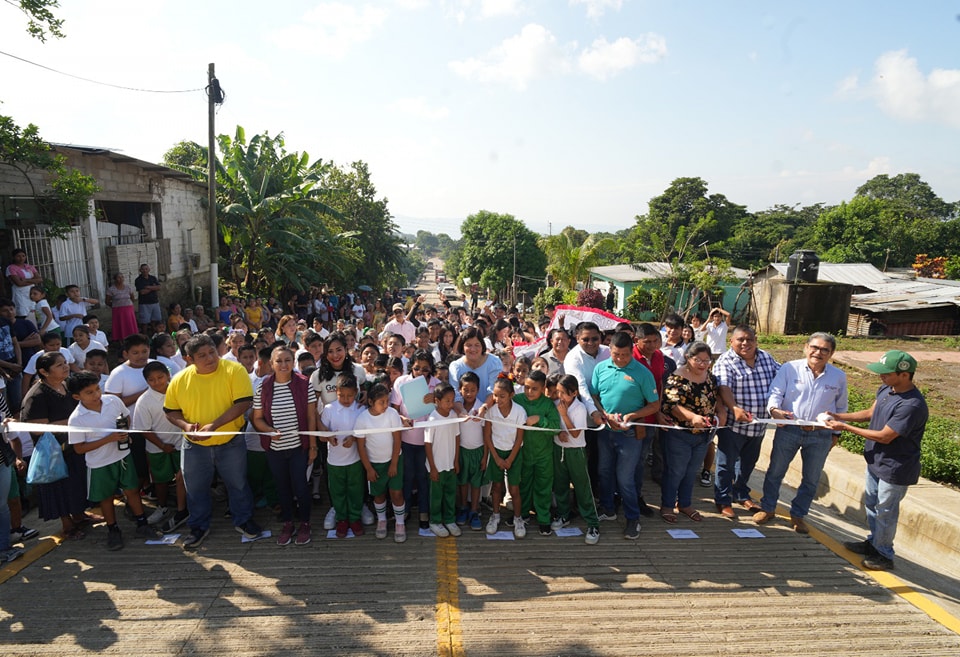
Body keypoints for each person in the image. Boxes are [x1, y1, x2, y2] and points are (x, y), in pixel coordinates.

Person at [825, 350, 928, 571]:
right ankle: (874, 543)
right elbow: (870, 413)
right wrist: (839, 416)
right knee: (873, 505)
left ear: (904, 375)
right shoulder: (887, 389)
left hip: (895, 467)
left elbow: (885, 436)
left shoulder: (911, 405)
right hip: (876, 461)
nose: (881, 376)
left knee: (886, 511)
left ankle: (884, 554)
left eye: (886, 373)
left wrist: (844, 427)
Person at [164, 334, 262, 549]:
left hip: (231, 441)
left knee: (238, 483)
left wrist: (214, 426)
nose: (210, 358)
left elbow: (243, 403)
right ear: (189, 359)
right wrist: (185, 426)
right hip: (194, 445)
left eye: (212, 352)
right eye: (202, 355)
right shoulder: (180, 379)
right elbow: (171, 411)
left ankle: (243, 519)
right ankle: (198, 526)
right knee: (195, 488)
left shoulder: (234, 370)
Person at [754, 332, 848, 534]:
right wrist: (774, 411)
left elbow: (841, 407)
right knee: (775, 471)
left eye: (824, 350)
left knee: (811, 479)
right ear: (806, 347)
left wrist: (836, 435)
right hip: (789, 429)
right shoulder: (789, 368)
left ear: (831, 353)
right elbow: (775, 393)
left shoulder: (838, 377)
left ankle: (798, 515)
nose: (818, 353)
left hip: (820, 435)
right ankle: (768, 508)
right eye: (814, 347)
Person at [67, 372, 158, 550]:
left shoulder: (113, 401)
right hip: (99, 464)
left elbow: (126, 417)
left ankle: (142, 523)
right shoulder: (76, 418)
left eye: (97, 389)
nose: (96, 395)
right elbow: (79, 448)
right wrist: (109, 439)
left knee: (132, 490)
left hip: (122, 456)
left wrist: (125, 434)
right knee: (106, 497)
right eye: (89, 392)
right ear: (77, 397)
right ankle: (113, 529)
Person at [591, 331, 661, 539]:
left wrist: (633, 415)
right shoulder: (600, 368)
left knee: (625, 478)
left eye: (625, 355)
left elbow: (654, 405)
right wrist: (604, 413)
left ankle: (633, 518)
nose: (620, 359)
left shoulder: (643, 373)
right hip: (605, 431)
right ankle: (608, 509)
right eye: (616, 354)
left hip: (630, 434)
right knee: (604, 471)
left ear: (632, 351)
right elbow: (594, 395)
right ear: (609, 350)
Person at [251, 346, 318, 547]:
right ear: (271, 364)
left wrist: (313, 446)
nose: (283, 365)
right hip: (275, 449)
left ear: (293, 362)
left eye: (287, 360)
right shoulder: (263, 387)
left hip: (299, 447)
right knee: (282, 487)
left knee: (300, 486)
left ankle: (305, 523)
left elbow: (311, 417)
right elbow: (257, 418)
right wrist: (269, 430)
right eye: (278, 361)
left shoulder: (304, 384)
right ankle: (288, 523)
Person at [712, 325, 780, 518]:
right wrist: (733, 407)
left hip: (758, 425)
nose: (745, 343)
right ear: (731, 341)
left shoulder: (766, 357)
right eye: (740, 339)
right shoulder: (725, 361)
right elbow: (723, 387)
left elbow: (783, 377)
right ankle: (723, 500)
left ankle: (741, 494)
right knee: (726, 465)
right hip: (733, 425)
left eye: (749, 339)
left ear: (755, 340)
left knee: (748, 464)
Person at [19, 352, 88, 539]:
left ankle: (80, 515)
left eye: (65, 363)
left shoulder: (66, 385)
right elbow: (36, 429)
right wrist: (71, 422)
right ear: (44, 371)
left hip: (72, 445)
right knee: (58, 488)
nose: (66, 367)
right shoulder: (37, 395)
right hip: (53, 452)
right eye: (59, 365)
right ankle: (67, 525)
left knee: (76, 482)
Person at [660, 341, 725, 524]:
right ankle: (667, 505)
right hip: (680, 433)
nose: (703, 364)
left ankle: (685, 504)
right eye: (698, 360)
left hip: (703, 434)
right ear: (688, 358)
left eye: (707, 360)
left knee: (691, 471)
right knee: (676, 471)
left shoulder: (710, 377)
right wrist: (692, 417)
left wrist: (721, 413)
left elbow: (715, 397)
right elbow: (672, 406)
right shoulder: (676, 378)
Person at [134, 361, 188, 532]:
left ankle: (185, 508)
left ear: (168, 375)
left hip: (182, 443)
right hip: (157, 447)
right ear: (146, 381)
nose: (157, 382)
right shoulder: (144, 401)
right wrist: (162, 445)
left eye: (160, 377)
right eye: (152, 380)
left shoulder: (180, 390)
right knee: (160, 480)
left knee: (184, 478)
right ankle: (162, 507)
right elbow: (144, 429)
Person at [390, 350, 439, 531]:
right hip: (406, 439)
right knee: (407, 476)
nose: (420, 372)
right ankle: (405, 509)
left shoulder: (438, 385)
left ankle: (424, 511)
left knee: (424, 477)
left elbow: (447, 407)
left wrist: (437, 399)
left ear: (431, 369)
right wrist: (402, 418)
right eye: (417, 368)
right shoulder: (401, 382)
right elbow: (394, 409)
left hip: (428, 441)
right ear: (411, 367)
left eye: (425, 369)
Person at [551, 374, 601, 545]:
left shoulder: (579, 408)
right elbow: (554, 424)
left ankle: (593, 523)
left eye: (563, 393)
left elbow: (575, 433)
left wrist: (564, 415)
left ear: (574, 393)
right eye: (558, 392)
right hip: (559, 449)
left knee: (582, 487)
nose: (560, 396)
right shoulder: (557, 404)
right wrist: (559, 432)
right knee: (560, 485)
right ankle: (563, 514)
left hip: (576, 451)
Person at [354, 383, 407, 543]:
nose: (385, 405)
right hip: (375, 464)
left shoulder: (392, 414)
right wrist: (369, 469)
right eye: (381, 402)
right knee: (379, 494)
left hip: (393, 460)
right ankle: (382, 520)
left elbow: (397, 440)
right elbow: (361, 446)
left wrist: (394, 463)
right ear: (370, 402)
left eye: (387, 401)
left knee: (396, 493)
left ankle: (400, 523)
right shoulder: (362, 419)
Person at [563, 321, 611, 491]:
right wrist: (594, 412)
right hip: (586, 415)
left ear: (601, 337)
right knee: (588, 455)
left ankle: (601, 490)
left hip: (610, 412)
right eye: (585, 339)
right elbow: (581, 388)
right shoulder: (573, 358)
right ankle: (585, 493)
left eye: (595, 338)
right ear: (577, 338)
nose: (591, 343)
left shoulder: (608, 352)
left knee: (604, 457)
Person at [513, 369, 560, 536]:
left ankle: (543, 518)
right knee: (523, 484)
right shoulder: (517, 400)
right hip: (523, 452)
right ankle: (523, 514)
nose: (529, 392)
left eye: (534, 389)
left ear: (543, 388)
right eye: (527, 387)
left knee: (543, 486)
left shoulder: (548, 404)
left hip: (543, 454)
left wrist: (541, 420)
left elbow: (556, 428)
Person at [319, 373, 366, 538]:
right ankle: (342, 519)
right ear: (336, 392)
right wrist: (328, 437)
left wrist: (354, 438)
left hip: (355, 460)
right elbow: (321, 435)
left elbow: (366, 434)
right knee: (337, 492)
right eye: (341, 395)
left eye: (350, 396)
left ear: (356, 393)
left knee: (356, 490)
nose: (346, 399)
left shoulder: (360, 410)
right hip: (334, 461)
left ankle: (355, 518)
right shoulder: (329, 409)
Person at [483, 377, 527, 538]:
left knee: (514, 489)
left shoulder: (519, 412)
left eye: (502, 396)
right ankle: (495, 516)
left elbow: (519, 438)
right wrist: (496, 458)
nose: (497, 399)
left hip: (514, 454)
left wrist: (509, 459)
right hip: (496, 452)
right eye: (495, 395)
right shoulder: (491, 411)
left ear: (511, 395)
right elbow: (487, 436)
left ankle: (518, 518)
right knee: (496, 487)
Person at [424, 382, 461, 537]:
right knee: (436, 496)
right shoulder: (432, 419)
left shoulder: (453, 416)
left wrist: (456, 460)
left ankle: (450, 519)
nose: (451, 404)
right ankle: (435, 521)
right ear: (437, 401)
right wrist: (432, 467)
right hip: (437, 467)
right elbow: (427, 444)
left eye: (452, 400)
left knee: (450, 493)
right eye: (447, 401)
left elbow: (457, 437)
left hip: (450, 464)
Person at [455, 372, 486, 531]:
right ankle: (463, 508)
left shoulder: (481, 409)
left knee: (475, 484)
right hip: (462, 451)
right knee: (462, 482)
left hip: (478, 452)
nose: (469, 393)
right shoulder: (457, 409)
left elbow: (486, 435)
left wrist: (485, 456)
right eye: (465, 390)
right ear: (460, 390)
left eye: (473, 390)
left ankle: (474, 510)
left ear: (478, 390)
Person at [448, 326, 503, 407]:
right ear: (462, 347)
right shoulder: (455, 367)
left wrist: (484, 408)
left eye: (477, 345)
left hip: (490, 410)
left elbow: (493, 390)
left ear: (482, 345)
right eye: (469, 345)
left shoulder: (494, 362)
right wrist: (461, 410)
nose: (473, 349)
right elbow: (455, 394)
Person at [5, 249, 42, 319]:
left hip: (31, 292)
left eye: (23, 256)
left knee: (33, 312)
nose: (21, 258)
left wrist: (26, 280)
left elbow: (40, 279)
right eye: (18, 256)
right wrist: (33, 281)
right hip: (20, 293)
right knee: (22, 313)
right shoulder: (11, 268)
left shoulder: (30, 267)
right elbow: (19, 283)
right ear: (13, 257)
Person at [105, 272, 139, 342]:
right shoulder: (111, 289)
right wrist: (115, 306)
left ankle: (132, 339)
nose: (121, 279)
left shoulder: (128, 287)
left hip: (128, 309)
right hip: (118, 310)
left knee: (129, 324)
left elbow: (132, 298)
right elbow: (107, 301)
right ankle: (121, 341)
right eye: (119, 277)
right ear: (115, 279)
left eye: (122, 277)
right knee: (120, 325)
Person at [134, 264, 162, 331]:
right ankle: (145, 335)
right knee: (144, 322)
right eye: (143, 269)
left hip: (155, 302)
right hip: (144, 303)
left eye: (146, 269)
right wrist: (153, 287)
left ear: (149, 270)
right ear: (140, 270)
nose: (145, 271)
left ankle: (154, 333)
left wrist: (148, 287)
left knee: (155, 320)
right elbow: (142, 292)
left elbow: (159, 287)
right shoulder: (138, 280)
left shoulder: (153, 278)